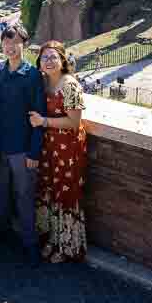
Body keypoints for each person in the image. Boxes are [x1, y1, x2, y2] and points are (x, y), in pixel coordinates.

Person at [0, 23, 46, 266]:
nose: (10, 47)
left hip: (23, 147)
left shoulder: (32, 75)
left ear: (24, 44)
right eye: (6, 42)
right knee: (0, 193)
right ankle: (1, 232)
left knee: (24, 196)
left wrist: (35, 150)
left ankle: (29, 242)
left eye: (15, 42)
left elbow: (39, 115)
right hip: (0, 146)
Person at [29, 41, 88, 263]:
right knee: (50, 189)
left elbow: (74, 121)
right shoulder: (43, 82)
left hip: (69, 146)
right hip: (50, 145)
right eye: (45, 58)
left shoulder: (70, 85)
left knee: (65, 192)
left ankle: (68, 246)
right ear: (39, 63)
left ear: (62, 60)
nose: (49, 61)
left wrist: (43, 121)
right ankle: (52, 240)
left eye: (53, 57)